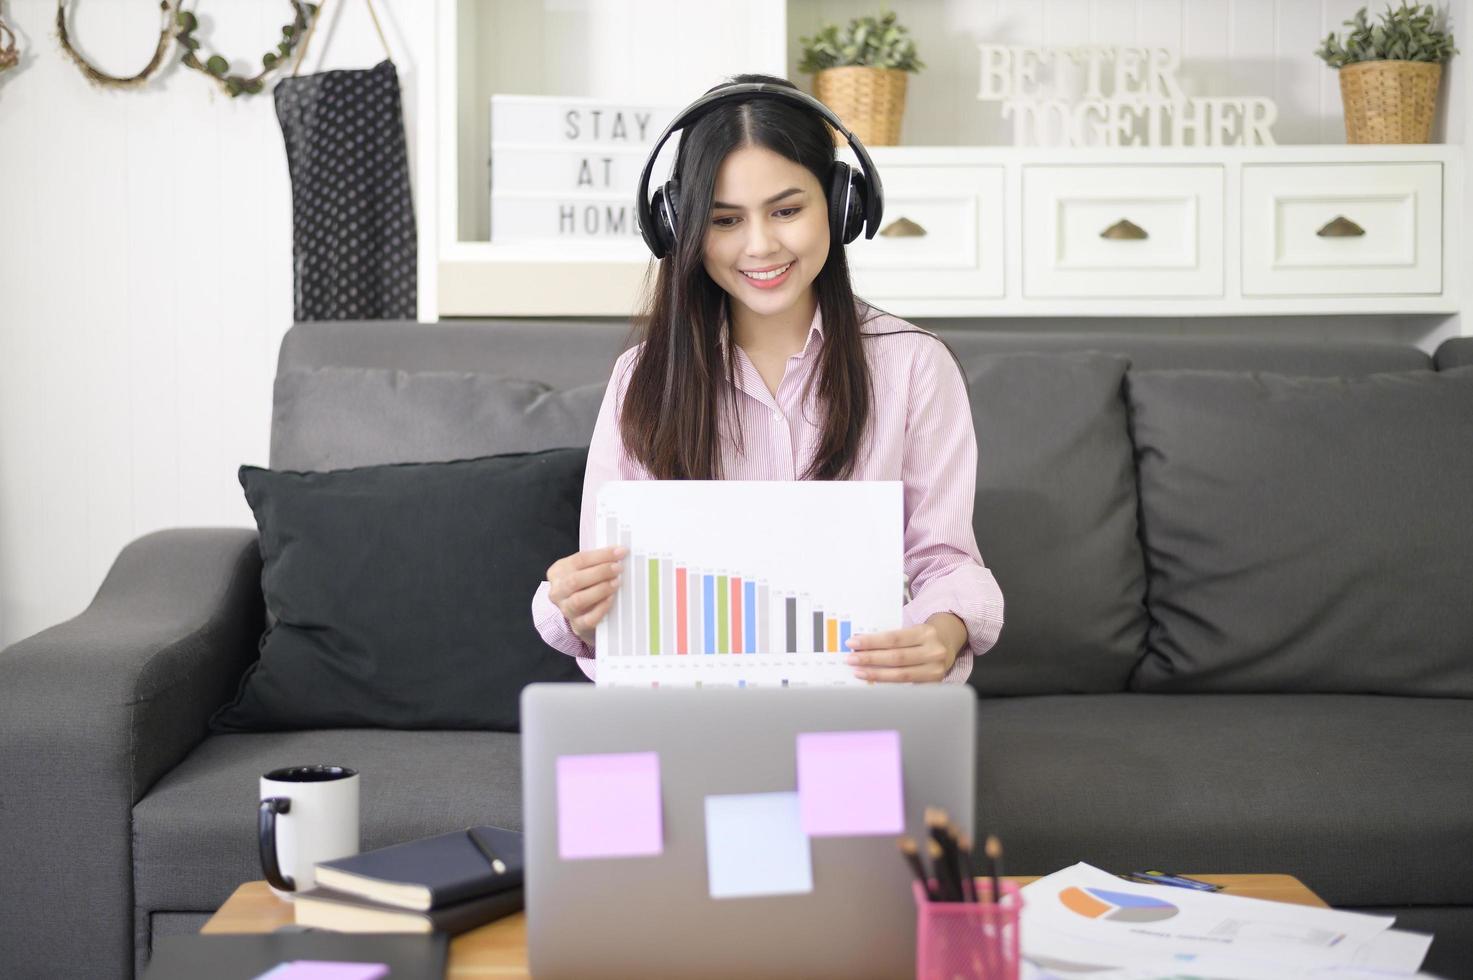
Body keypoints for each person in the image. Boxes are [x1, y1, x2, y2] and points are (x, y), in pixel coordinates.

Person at [530, 73, 1003, 684]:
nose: (759, 245)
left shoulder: (913, 364)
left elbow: (943, 559)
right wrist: (578, 605)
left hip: (857, 705)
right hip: (687, 710)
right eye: (725, 220)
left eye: (786, 210)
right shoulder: (642, 377)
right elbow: (610, 590)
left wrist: (943, 630)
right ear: (682, 227)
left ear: (840, 205)